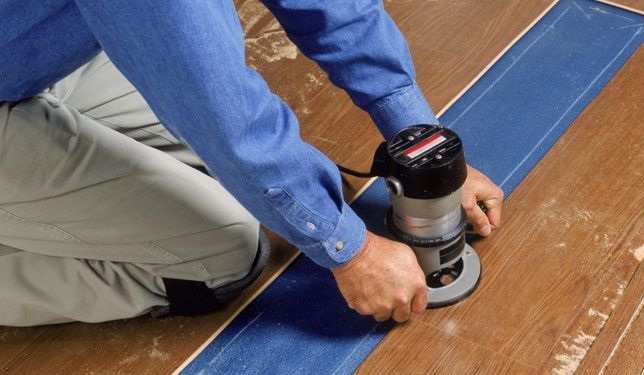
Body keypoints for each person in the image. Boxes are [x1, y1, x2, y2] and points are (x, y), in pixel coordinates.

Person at [0, 0, 504, 327]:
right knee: (223, 251)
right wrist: (353, 252)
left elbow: (334, 8)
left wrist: (420, 140)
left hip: (50, 48)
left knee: (220, 169)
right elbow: (226, 118)